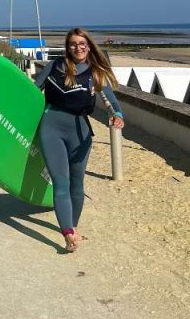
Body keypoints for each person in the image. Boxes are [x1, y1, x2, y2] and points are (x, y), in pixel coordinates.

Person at [33, 28, 125, 253]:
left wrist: (117, 115)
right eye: (73, 44)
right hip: (51, 129)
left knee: (77, 183)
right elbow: (32, 93)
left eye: (82, 43)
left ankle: (73, 228)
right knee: (61, 182)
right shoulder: (55, 66)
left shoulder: (96, 72)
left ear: (89, 46)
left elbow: (111, 101)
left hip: (80, 131)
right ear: (68, 47)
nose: (78, 47)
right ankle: (67, 233)